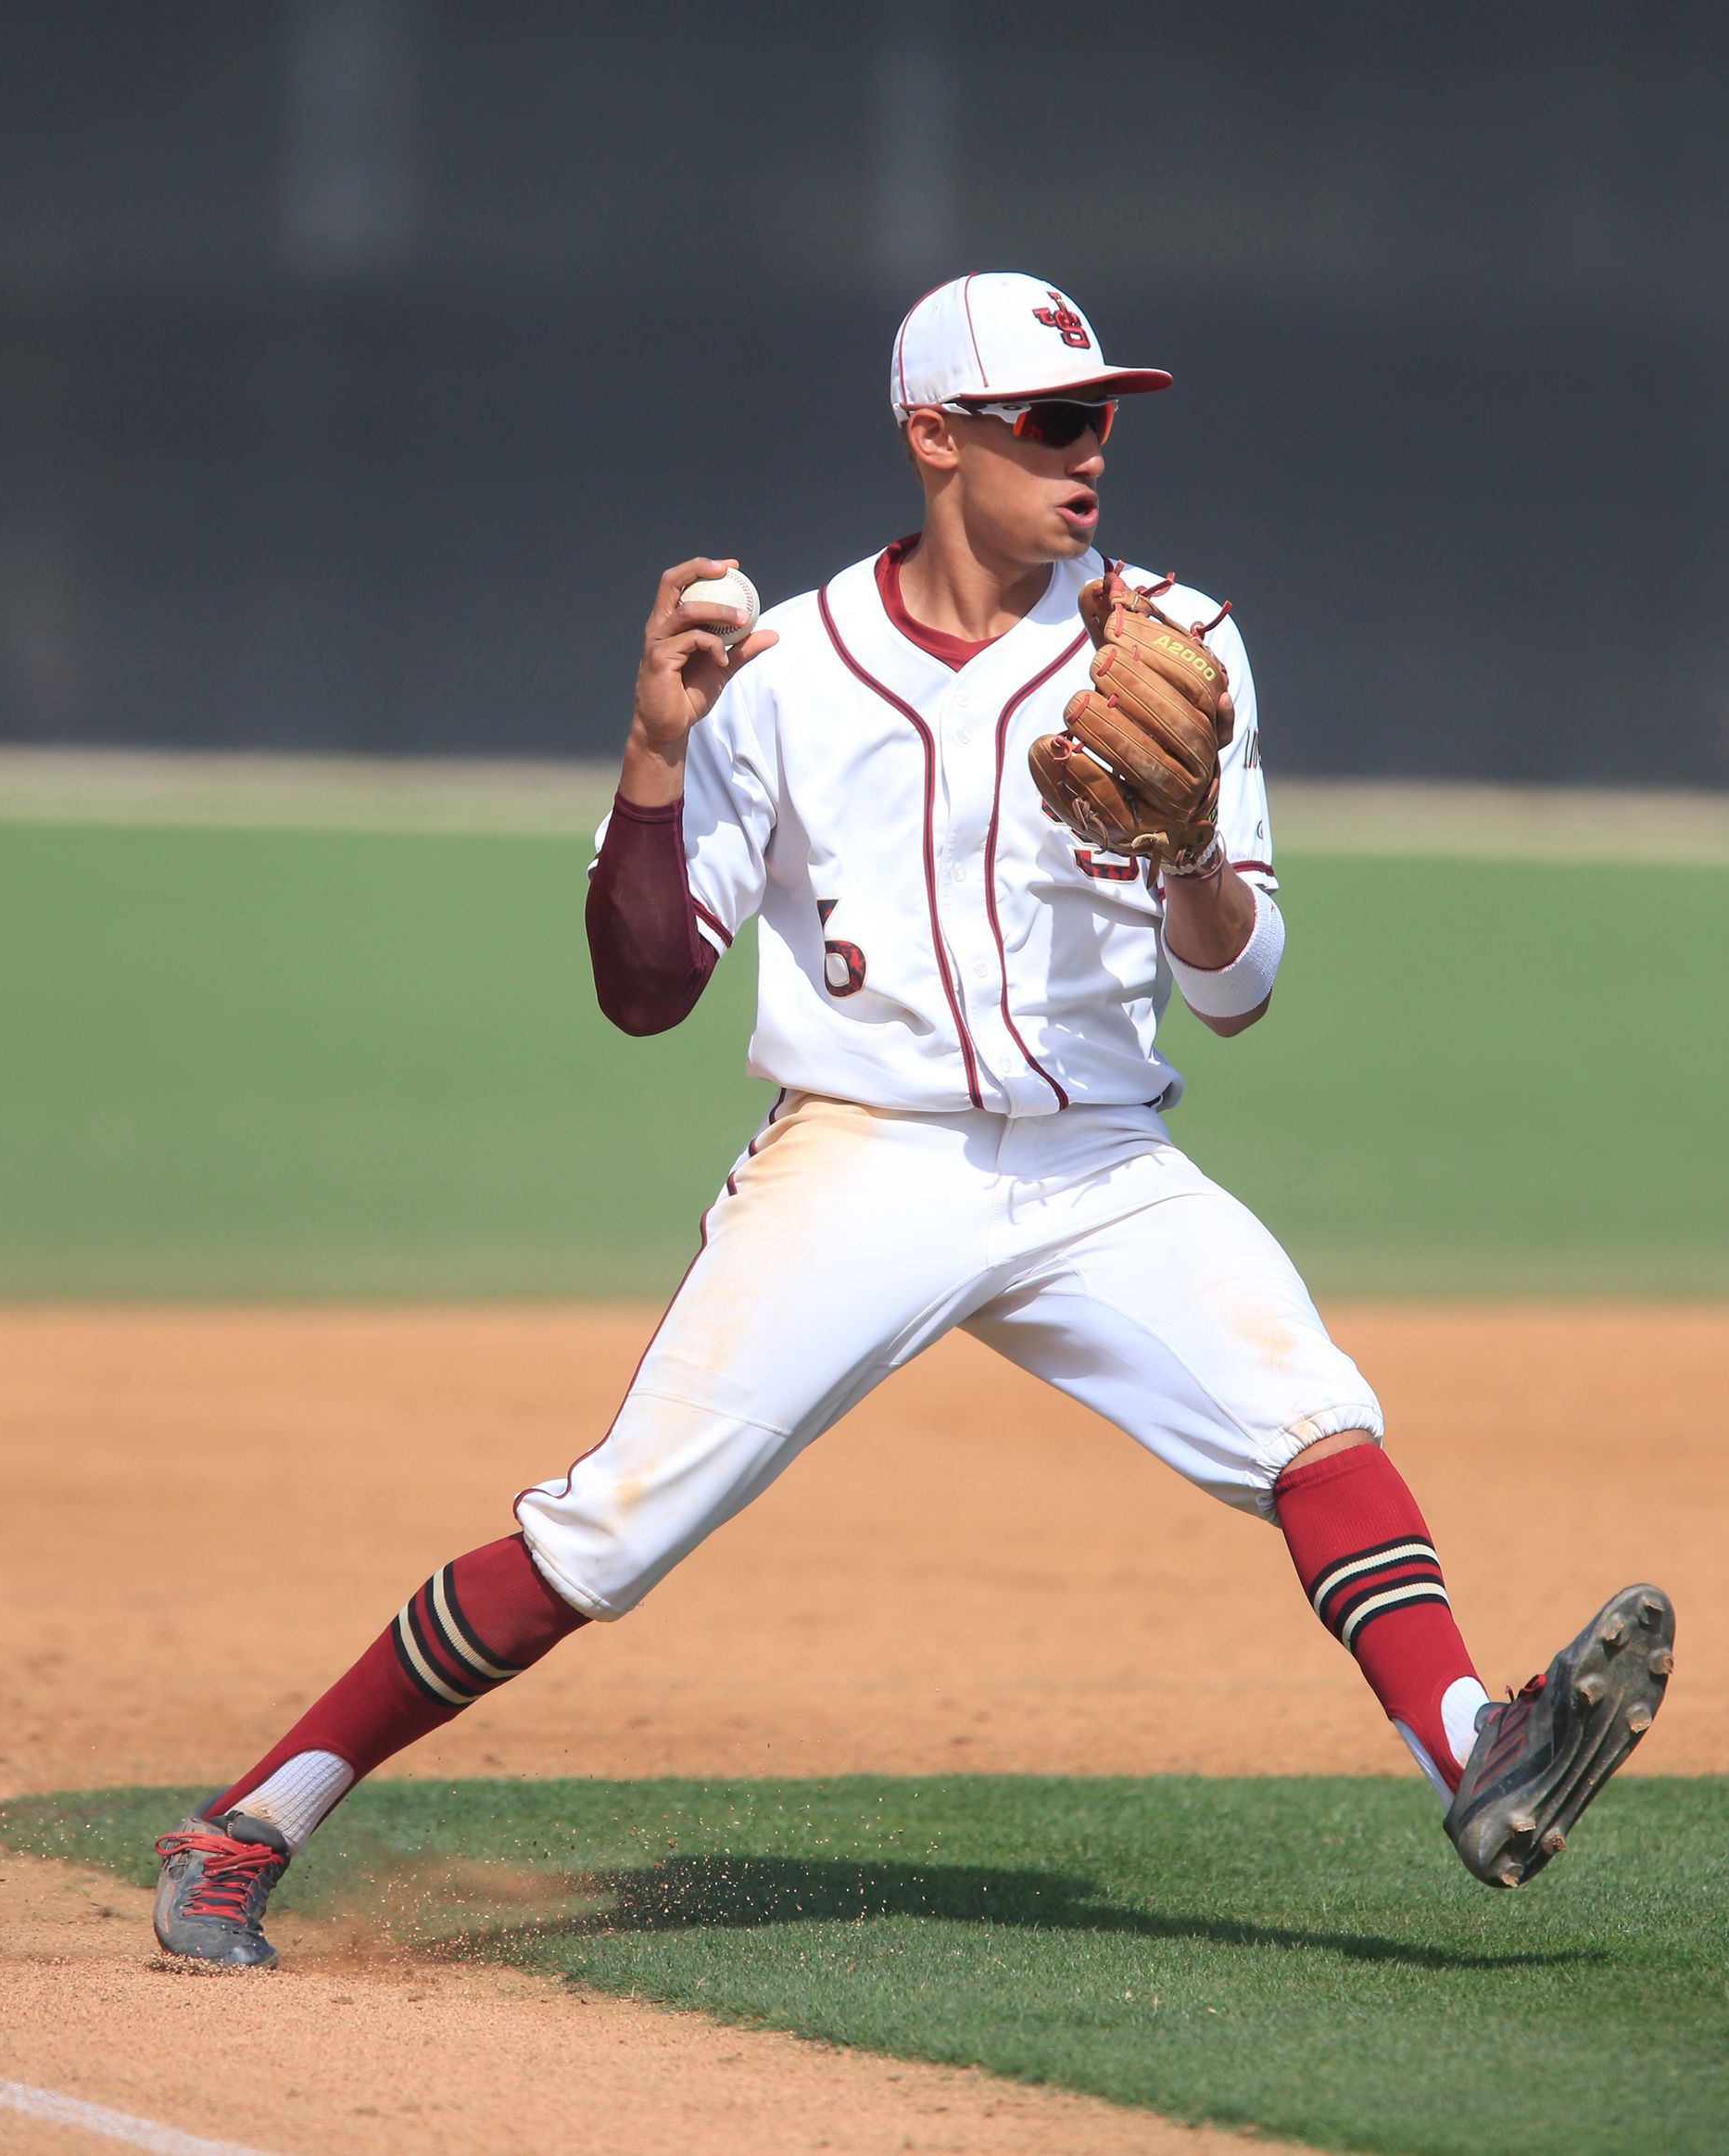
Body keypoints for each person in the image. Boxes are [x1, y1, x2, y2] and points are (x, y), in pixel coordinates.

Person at [152, 272, 1673, 1968]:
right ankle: (250, 1821)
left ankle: (1475, 1748)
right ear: (934, 437)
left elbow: (1240, 995)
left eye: (1101, 419)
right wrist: (655, 759)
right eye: (1049, 422)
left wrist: (1185, 863)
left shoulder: (1178, 643)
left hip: (1101, 1162)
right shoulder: (787, 670)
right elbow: (645, 988)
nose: (1090, 455)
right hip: (866, 1154)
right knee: (608, 1532)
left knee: (1314, 1422)